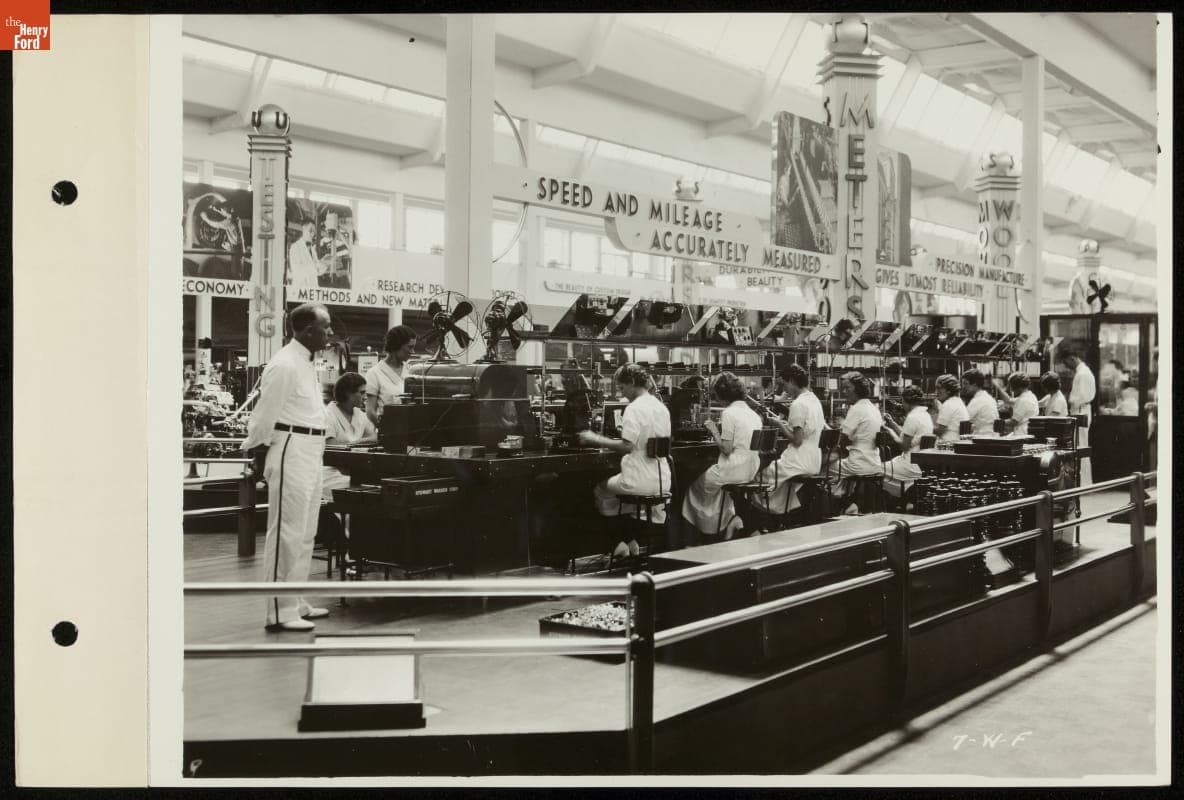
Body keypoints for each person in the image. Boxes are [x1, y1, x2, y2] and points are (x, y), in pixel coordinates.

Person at [243, 303, 334, 632]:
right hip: (291, 447)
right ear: (307, 330)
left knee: (306, 532)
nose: (330, 332)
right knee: (287, 532)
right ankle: (279, 610)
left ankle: (294, 599)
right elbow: (266, 413)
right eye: (326, 327)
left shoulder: (306, 362)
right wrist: (257, 451)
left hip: (311, 448)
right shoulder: (284, 364)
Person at [578, 364, 673, 560]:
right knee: (624, 498)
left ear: (631, 383)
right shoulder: (661, 407)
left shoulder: (634, 408)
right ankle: (631, 540)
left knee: (601, 489)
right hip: (661, 480)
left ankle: (616, 543)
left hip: (638, 479)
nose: (622, 393)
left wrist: (595, 438)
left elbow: (627, 446)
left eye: (622, 388)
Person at [682, 372, 763, 541]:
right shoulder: (754, 414)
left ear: (722, 395)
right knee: (723, 494)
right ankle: (733, 521)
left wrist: (713, 430)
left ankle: (698, 537)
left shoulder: (729, 413)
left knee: (691, 489)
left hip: (731, 470)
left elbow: (726, 449)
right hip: (749, 471)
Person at [754, 364, 826, 515]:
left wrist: (779, 424)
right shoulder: (814, 400)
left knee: (757, 478)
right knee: (777, 482)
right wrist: (788, 425)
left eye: (785, 384)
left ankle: (763, 521)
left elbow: (797, 440)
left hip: (798, 461)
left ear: (792, 381)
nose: (784, 390)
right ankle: (782, 514)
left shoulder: (798, 404)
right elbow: (806, 431)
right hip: (814, 460)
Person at [828, 371, 884, 509]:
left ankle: (837, 506)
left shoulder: (857, 409)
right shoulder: (873, 408)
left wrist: (831, 453)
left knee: (821, 469)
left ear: (858, 389)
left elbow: (843, 439)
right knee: (839, 469)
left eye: (848, 388)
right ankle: (847, 501)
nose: (844, 392)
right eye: (843, 389)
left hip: (859, 464)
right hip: (873, 462)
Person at [322, 372, 378, 500]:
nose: (365, 397)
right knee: (361, 494)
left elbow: (374, 438)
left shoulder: (359, 414)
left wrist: (352, 444)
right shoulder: (327, 415)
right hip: (330, 472)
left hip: (354, 471)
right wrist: (361, 443)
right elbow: (332, 448)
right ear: (348, 393)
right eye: (361, 392)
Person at [881, 385, 933, 501]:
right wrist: (892, 423)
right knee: (883, 466)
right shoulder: (924, 415)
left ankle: (880, 506)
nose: (902, 406)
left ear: (906, 402)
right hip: (920, 463)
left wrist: (889, 431)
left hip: (910, 464)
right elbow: (907, 436)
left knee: (874, 470)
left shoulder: (913, 417)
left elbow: (903, 446)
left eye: (902, 402)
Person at [365, 324, 417, 425]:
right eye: (410, 347)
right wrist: (385, 428)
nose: (412, 352)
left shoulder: (410, 371)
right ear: (396, 345)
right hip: (389, 432)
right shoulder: (374, 373)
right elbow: (370, 412)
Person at [287, 220, 323, 294]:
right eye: (310, 231)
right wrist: (315, 267)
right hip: (301, 291)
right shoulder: (295, 247)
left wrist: (325, 264)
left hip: (313, 291)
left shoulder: (313, 250)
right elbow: (297, 272)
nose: (312, 234)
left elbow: (318, 272)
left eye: (314, 232)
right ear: (303, 229)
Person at [961, 369, 999, 435]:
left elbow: (964, 420)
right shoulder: (988, 397)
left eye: (966, 383)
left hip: (983, 438)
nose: (963, 387)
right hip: (992, 436)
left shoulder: (977, 401)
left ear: (975, 384)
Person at [932, 374, 969, 442]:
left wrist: (926, 427)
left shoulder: (948, 404)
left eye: (939, 388)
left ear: (948, 390)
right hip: (956, 441)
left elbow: (940, 431)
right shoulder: (958, 401)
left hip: (949, 443)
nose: (936, 392)